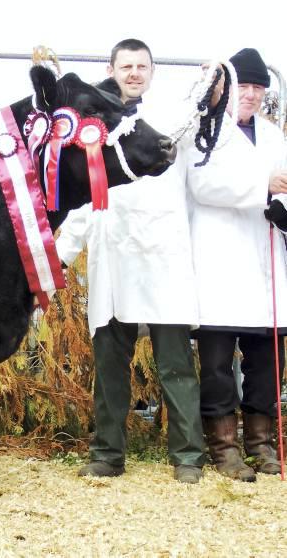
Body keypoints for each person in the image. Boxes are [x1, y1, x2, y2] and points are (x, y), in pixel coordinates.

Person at [56, 38, 205, 484]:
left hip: (164, 259)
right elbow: (82, 199)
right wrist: (58, 257)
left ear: (153, 72)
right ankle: (107, 454)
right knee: (110, 368)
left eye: (143, 66)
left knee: (177, 366)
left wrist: (215, 75)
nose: (135, 73)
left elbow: (206, 105)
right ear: (112, 68)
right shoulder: (92, 128)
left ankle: (188, 456)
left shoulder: (173, 123)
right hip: (114, 260)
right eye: (127, 66)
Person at [186, 47, 287, 481]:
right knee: (217, 366)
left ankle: (262, 446)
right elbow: (202, 184)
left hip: (265, 258)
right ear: (226, 88)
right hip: (219, 262)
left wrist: (280, 202)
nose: (250, 95)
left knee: (266, 362)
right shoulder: (204, 131)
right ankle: (224, 448)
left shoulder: (273, 134)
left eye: (258, 88)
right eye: (243, 86)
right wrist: (261, 186)